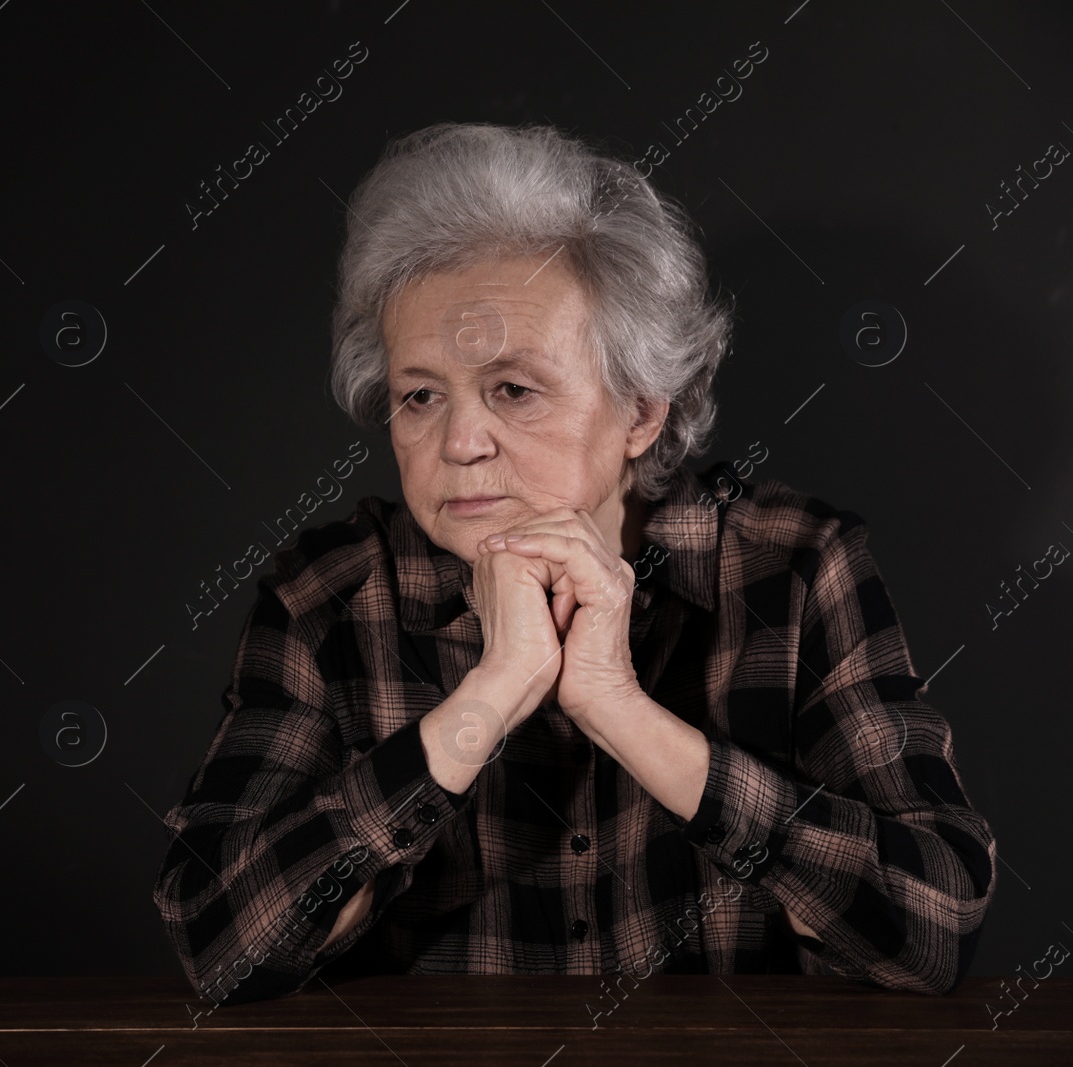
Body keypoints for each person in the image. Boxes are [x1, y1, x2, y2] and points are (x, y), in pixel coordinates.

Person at [150, 123, 995, 1011]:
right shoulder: (327, 598)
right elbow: (221, 947)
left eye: (514, 389)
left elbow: (932, 930)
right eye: (420, 395)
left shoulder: (794, 566)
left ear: (639, 413)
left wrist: (619, 708)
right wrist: (488, 698)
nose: (461, 443)